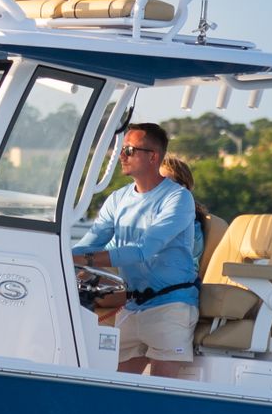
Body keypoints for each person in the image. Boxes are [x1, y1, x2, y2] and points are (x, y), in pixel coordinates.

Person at [73, 122, 200, 377]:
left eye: (129, 150)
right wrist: (59, 257)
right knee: (114, 390)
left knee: (161, 396)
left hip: (171, 306)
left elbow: (143, 249)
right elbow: (91, 241)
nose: (121, 155)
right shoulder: (117, 198)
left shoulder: (178, 198)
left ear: (153, 157)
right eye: (122, 149)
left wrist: (83, 258)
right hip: (132, 307)